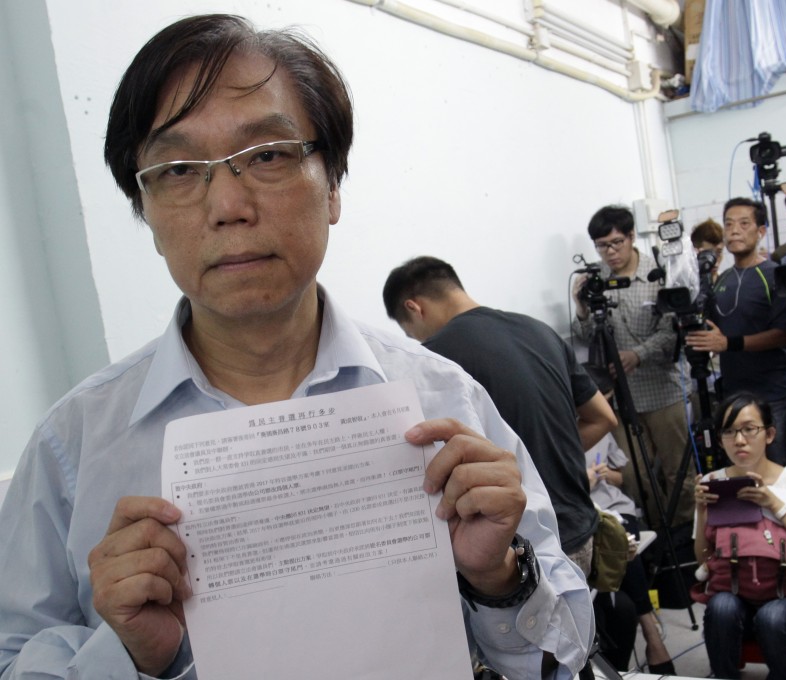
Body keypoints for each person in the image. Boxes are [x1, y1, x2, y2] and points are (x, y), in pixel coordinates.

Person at [0, 15, 594, 680]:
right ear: (148, 214)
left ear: (332, 185)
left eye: (267, 156)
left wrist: (499, 577)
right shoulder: (73, 449)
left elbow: (565, 656)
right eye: (179, 169)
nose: (228, 204)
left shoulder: (444, 398)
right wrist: (130, 655)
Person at [382, 255, 617, 574]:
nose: (416, 342)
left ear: (414, 308)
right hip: (580, 526)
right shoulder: (540, 330)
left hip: (520, 547)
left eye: (411, 333)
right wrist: (550, 454)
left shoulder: (433, 360)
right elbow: (603, 418)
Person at [693, 392, 786, 680]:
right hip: (734, 595)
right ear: (720, 439)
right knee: (720, 607)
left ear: (769, 434)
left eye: (749, 429)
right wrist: (700, 510)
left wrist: (774, 504)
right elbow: (703, 558)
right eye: (729, 431)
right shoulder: (713, 482)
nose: (739, 440)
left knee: (773, 617)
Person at [572, 205, 694, 530]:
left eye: (616, 243)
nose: (610, 252)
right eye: (602, 246)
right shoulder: (597, 280)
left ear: (631, 236)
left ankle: (684, 535)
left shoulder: (660, 273)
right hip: (622, 401)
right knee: (636, 476)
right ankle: (656, 534)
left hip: (663, 391)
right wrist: (581, 308)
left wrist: (637, 355)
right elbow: (587, 336)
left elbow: (672, 331)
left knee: (678, 471)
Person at [687, 198, 786, 467]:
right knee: (743, 470)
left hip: (774, 393)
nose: (734, 231)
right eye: (728, 225)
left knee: (779, 469)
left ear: (761, 231)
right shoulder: (721, 280)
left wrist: (729, 343)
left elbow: (782, 335)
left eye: (744, 224)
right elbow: (714, 331)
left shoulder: (775, 275)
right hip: (734, 393)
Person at [585, 433, 676, 675]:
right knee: (616, 546)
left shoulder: (598, 430)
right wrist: (582, 482)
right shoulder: (545, 431)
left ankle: (650, 631)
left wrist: (606, 474)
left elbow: (620, 477)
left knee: (623, 541)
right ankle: (650, 629)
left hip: (615, 508)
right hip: (582, 511)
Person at [691, 217, 724, 283]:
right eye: (709, 254)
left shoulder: (728, 282)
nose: (714, 260)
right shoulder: (687, 284)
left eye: (718, 253)